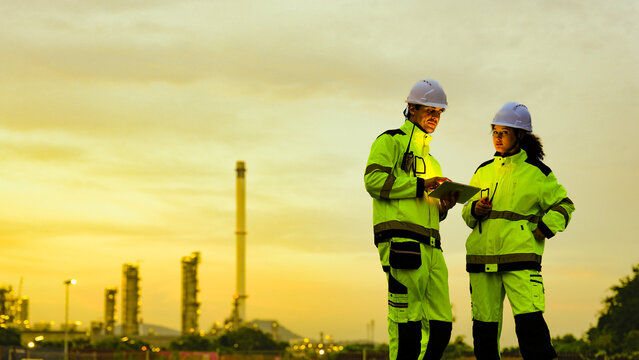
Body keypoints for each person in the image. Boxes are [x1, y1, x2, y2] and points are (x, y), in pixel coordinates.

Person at [461, 102, 575, 359]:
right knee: (484, 332)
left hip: (520, 260)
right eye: (495, 132)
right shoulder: (482, 171)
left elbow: (565, 205)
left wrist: (545, 228)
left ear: (520, 135)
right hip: (482, 262)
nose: (498, 138)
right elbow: (467, 214)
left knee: (531, 329)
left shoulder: (538, 173)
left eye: (504, 132)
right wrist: (474, 211)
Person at [364, 79, 459, 360]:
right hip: (401, 245)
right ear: (412, 108)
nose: (435, 117)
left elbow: (428, 210)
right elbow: (373, 181)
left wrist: (444, 205)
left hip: (432, 248)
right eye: (429, 110)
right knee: (407, 324)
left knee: (441, 327)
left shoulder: (434, 162)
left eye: (439, 112)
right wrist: (420, 185)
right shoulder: (389, 141)